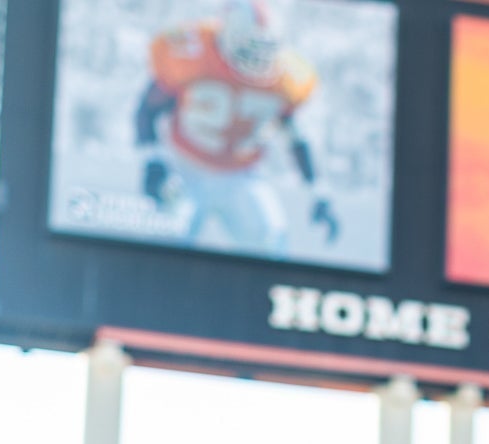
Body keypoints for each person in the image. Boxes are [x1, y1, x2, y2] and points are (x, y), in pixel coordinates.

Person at [135, 0, 338, 256]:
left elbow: (295, 136)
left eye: (265, 48)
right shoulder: (193, 51)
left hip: (241, 174)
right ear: (227, 36)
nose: (258, 58)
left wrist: (317, 190)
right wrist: (153, 160)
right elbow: (147, 109)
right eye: (251, 48)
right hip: (184, 166)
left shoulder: (285, 75)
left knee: (272, 246)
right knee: (165, 248)